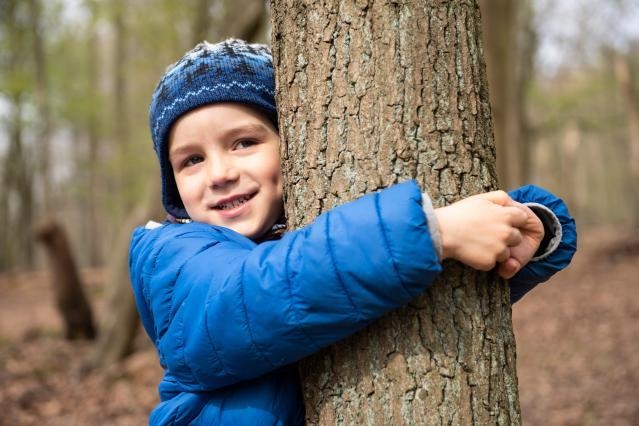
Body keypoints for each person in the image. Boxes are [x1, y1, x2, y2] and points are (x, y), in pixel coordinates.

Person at [129, 39, 576, 425]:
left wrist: (525, 223)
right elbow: (259, 294)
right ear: (173, 185)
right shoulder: (171, 260)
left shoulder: (311, 247)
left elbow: (424, 294)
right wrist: (433, 231)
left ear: (295, 145)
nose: (220, 173)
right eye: (191, 160)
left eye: (244, 143)